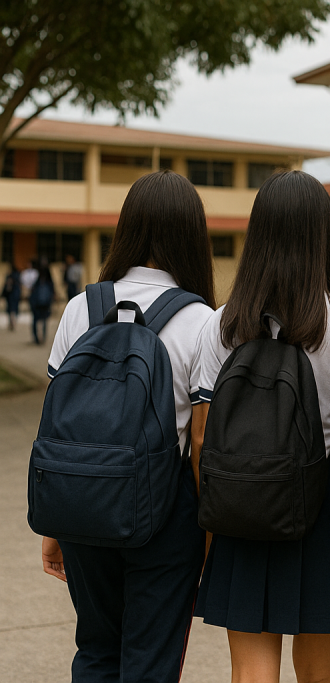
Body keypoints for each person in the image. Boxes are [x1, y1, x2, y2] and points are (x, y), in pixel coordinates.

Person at [192, 170, 330, 683]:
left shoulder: (222, 323)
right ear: (324, 238)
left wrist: (213, 522)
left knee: (250, 669)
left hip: (240, 502)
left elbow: (202, 439)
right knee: (320, 672)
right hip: (324, 507)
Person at [40, 170, 216, 681]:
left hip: (83, 502)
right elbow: (201, 441)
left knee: (96, 649)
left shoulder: (80, 309)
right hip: (165, 515)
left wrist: (55, 523)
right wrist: (208, 535)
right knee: (151, 661)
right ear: (192, 236)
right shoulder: (201, 320)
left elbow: (55, 419)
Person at [30, 259, 55, 345]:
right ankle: (42, 337)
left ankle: (37, 338)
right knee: (44, 320)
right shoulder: (48, 280)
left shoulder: (35, 276)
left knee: (36, 320)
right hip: (45, 302)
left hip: (37, 302)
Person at [3, 264, 20, 331]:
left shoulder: (10, 276)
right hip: (15, 296)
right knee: (14, 310)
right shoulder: (17, 276)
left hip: (10, 296)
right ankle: (13, 322)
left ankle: (12, 322)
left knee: (11, 310)